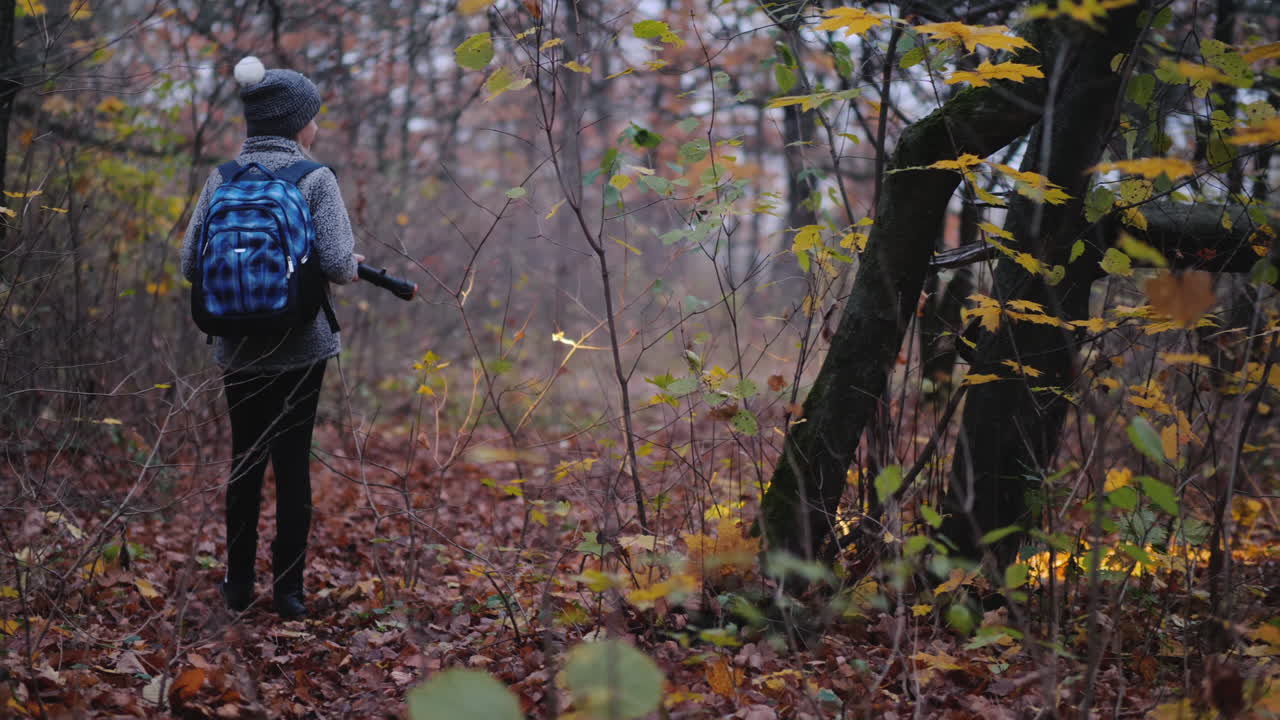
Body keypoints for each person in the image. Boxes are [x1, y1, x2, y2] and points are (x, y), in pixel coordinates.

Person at [180, 56, 362, 618]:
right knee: (292, 465)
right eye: (314, 117)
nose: (317, 126)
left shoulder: (221, 178)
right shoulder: (314, 179)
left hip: (236, 348)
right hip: (302, 348)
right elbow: (336, 264)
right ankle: (289, 591)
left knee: (245, 460)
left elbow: (191, 264)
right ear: (297, 125)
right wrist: (352, 264)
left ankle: (236, 586)